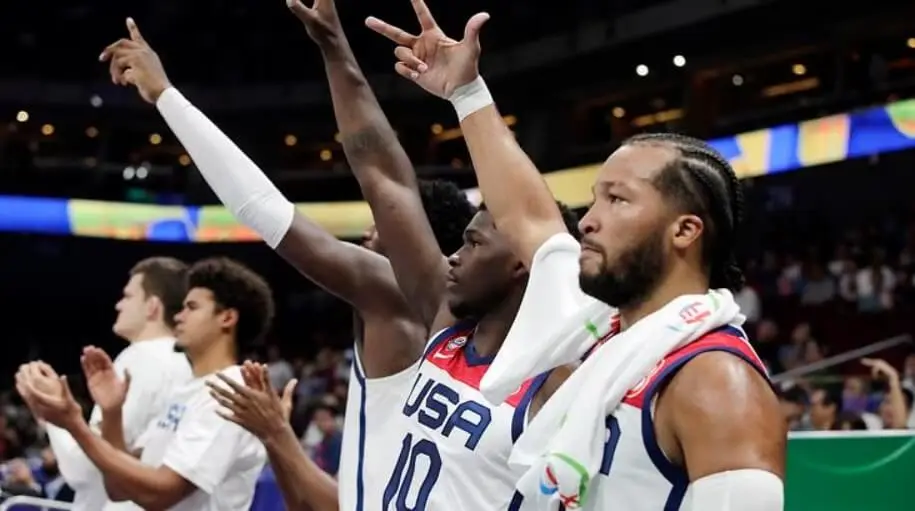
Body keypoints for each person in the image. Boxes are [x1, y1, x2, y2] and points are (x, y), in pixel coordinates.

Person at [366, 2, 785, 509]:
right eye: (594, 197)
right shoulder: (591, 323)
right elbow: (526, 214)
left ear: (685, 231)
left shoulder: (717, 381)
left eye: (618, 199)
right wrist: (466, 93)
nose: (588, 219)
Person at [96, 13, 473, 511]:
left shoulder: (398, 299)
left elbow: (273, 206)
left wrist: (167, 95)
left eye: (381, 230)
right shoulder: (484, 340)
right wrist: (277, 436)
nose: (365, 235)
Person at [19, 257, 274, 510]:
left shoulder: (230, 390)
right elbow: (119, 488)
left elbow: (161, 494)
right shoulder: (186, 390)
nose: (179, 317)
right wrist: (112, 413)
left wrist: (72, 423)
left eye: (192, 308)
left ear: (227, 318)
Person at [16, 256, 191, 511]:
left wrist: (52, 417)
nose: (119, 305)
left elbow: (85, 472)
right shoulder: (189, 364)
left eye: (128, 296)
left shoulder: (140, 358)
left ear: (152, 306)